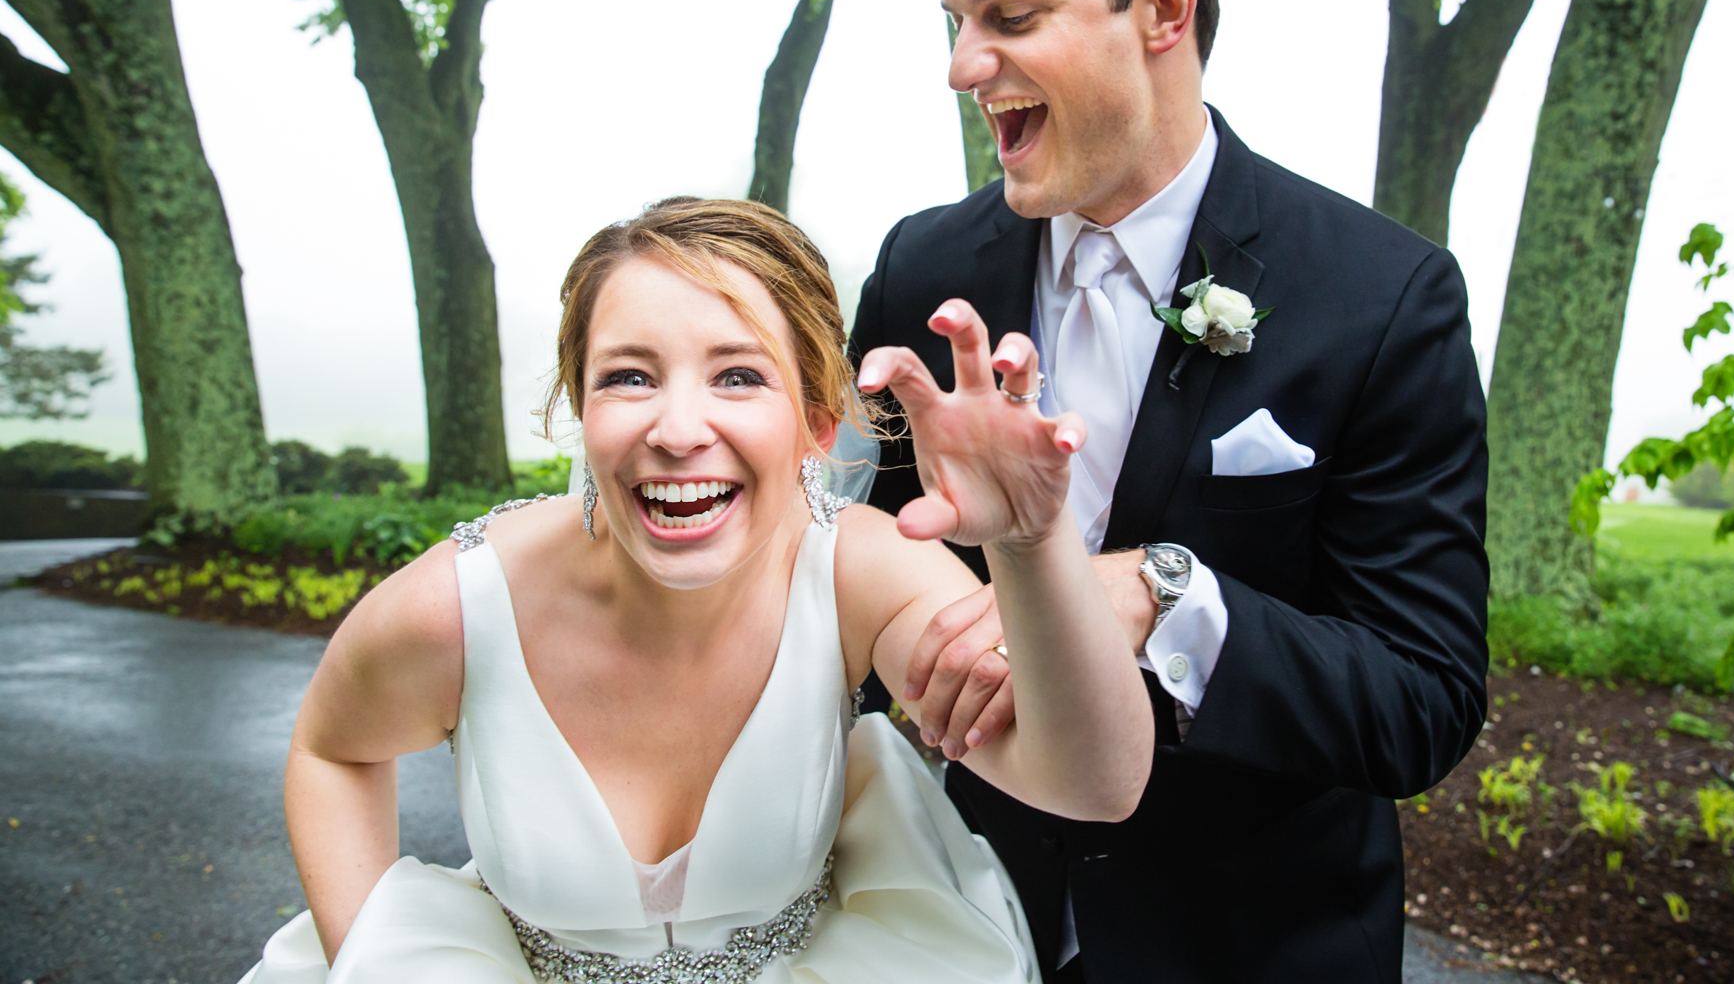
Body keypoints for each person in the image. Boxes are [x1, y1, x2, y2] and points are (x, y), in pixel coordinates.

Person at [848, 0, 1489, 983]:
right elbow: (845, 571)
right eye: (954, 19)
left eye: (1010, 15)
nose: (961, 66)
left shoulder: (1385, 298)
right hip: (959, 926)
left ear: (1165, 9)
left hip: (1254, 947)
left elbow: (1424, 699)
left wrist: (1163, 592)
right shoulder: (921, 273)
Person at [237, 197, 1154, 983]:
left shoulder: (859, 572)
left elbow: (1096, 785)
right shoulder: (464, 604)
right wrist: (373, 954)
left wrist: (1032, 547)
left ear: (816, 422)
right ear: (581, 408)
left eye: (739, 376)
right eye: (629, 377)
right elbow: (332, 749)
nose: (679, 429)